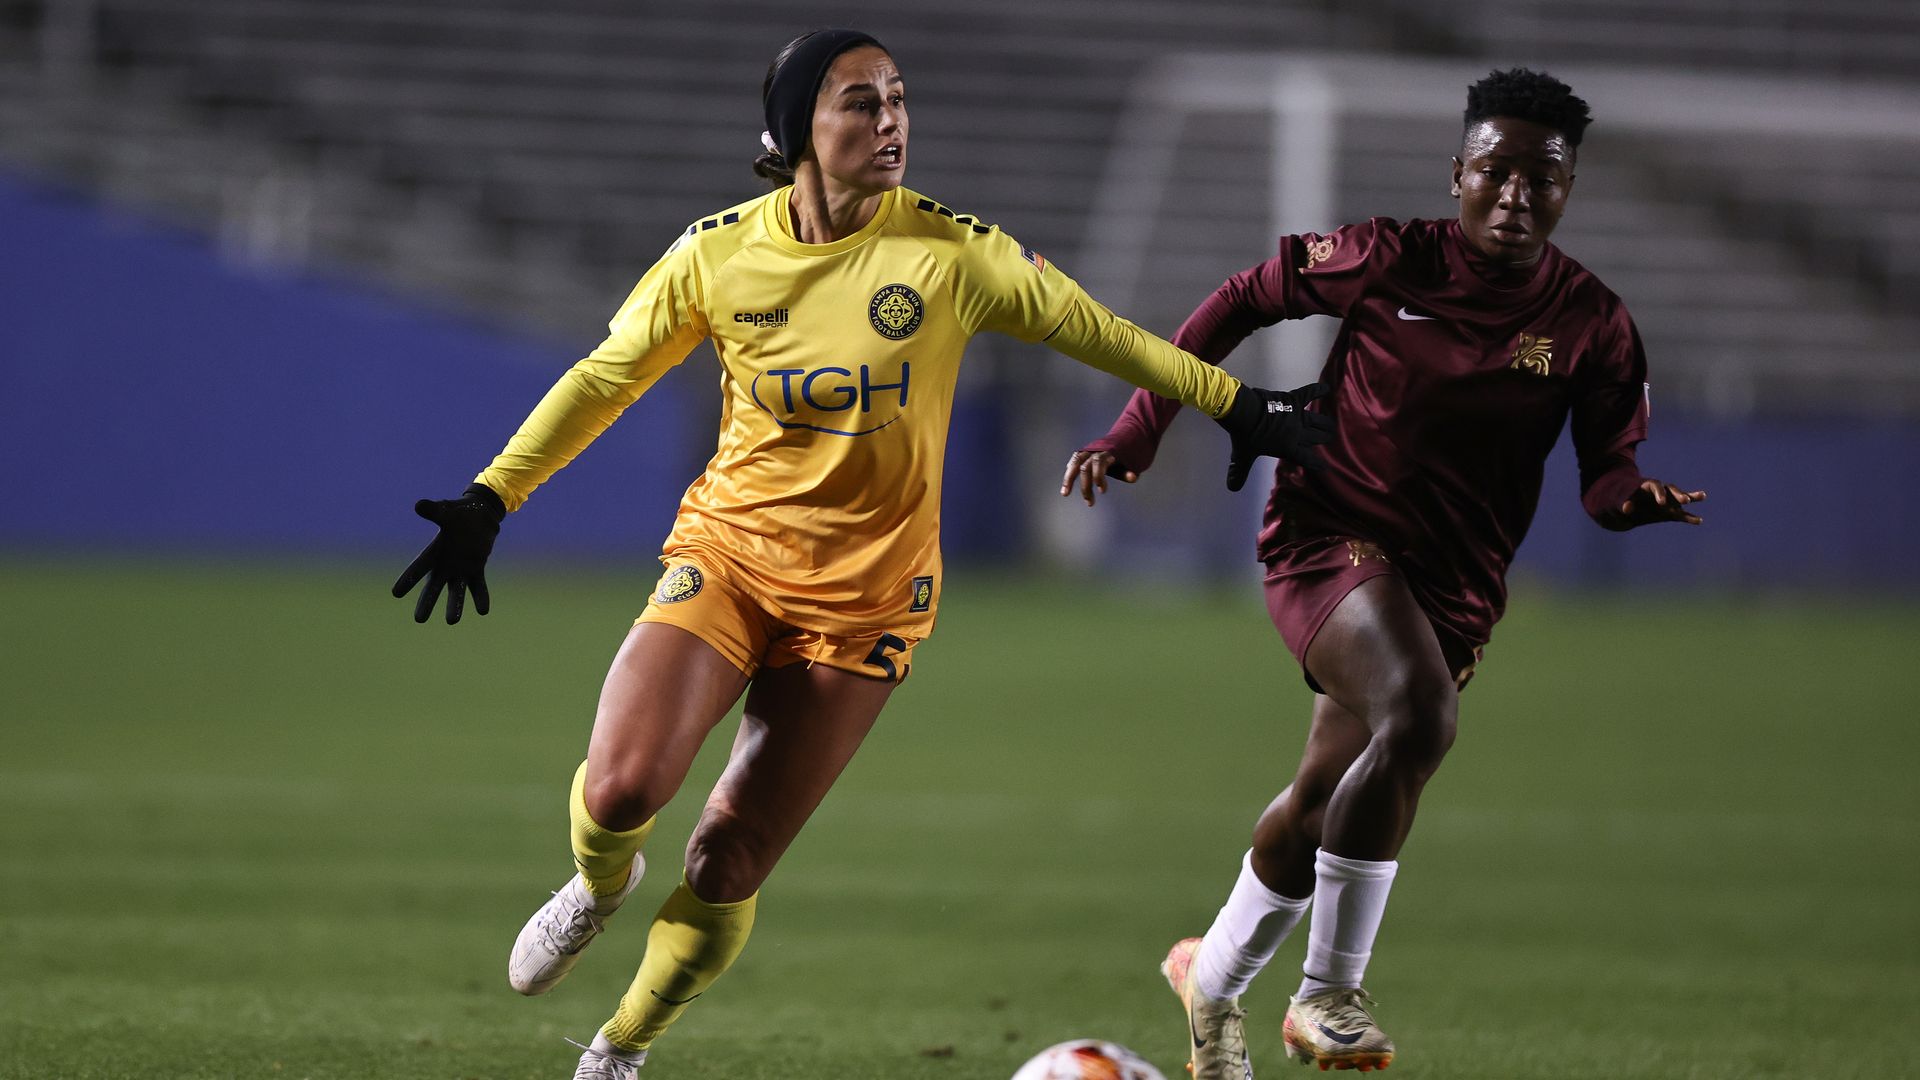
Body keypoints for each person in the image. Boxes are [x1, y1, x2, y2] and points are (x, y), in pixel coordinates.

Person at [392, 28, 1328, 1080]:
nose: (889, 122)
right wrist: (493, 495)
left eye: (896, 99)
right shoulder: (717, 253)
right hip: (734, 557)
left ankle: (617, 1051)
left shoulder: (951, 256)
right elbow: (608, 375)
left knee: (727, 855)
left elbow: (1103, 331)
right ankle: (598, 888)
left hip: (868, 605)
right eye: (858, 103)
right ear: (798, 129)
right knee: (620, 791)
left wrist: (1237, 404)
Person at [1061, 68, 1707, 1076]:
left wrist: (1631, 501)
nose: (1515, 196)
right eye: (1495, 172)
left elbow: (1605, 472)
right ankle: (1328, 995)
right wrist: (1142, 426)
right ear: (1458, 174)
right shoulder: (1387, 258)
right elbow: (1238, 299)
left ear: (1568, 187)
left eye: (1543, 179)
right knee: (1419, 716)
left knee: (1323, 799)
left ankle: (1212, 982)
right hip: (1330, 534)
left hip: (1452, 585)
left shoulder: (1592, 323)